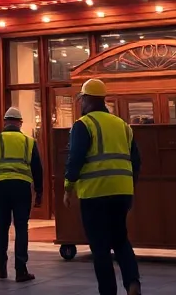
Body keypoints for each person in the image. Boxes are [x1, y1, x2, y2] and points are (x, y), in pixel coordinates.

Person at [63, 79, 141, 295]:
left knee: (100, 247)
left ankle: (108, 291)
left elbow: (75, 158)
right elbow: (136, 160)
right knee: (121, 239)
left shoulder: (84, 124)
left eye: (81, 99)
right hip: (122, 193)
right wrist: (129, 188)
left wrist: (68, 188)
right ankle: (133, 283)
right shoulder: (123, 125)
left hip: (95, 193)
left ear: (87, 100)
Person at [0, 107, 43, 282]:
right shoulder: (29, 142)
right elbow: (38, 169)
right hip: (22, 187)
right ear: (20, 123)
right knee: (21, 227)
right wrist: (39, 192)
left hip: (0, 187)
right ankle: (21, 270)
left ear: (5, 121)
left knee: (2, 226)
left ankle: (1, 267)